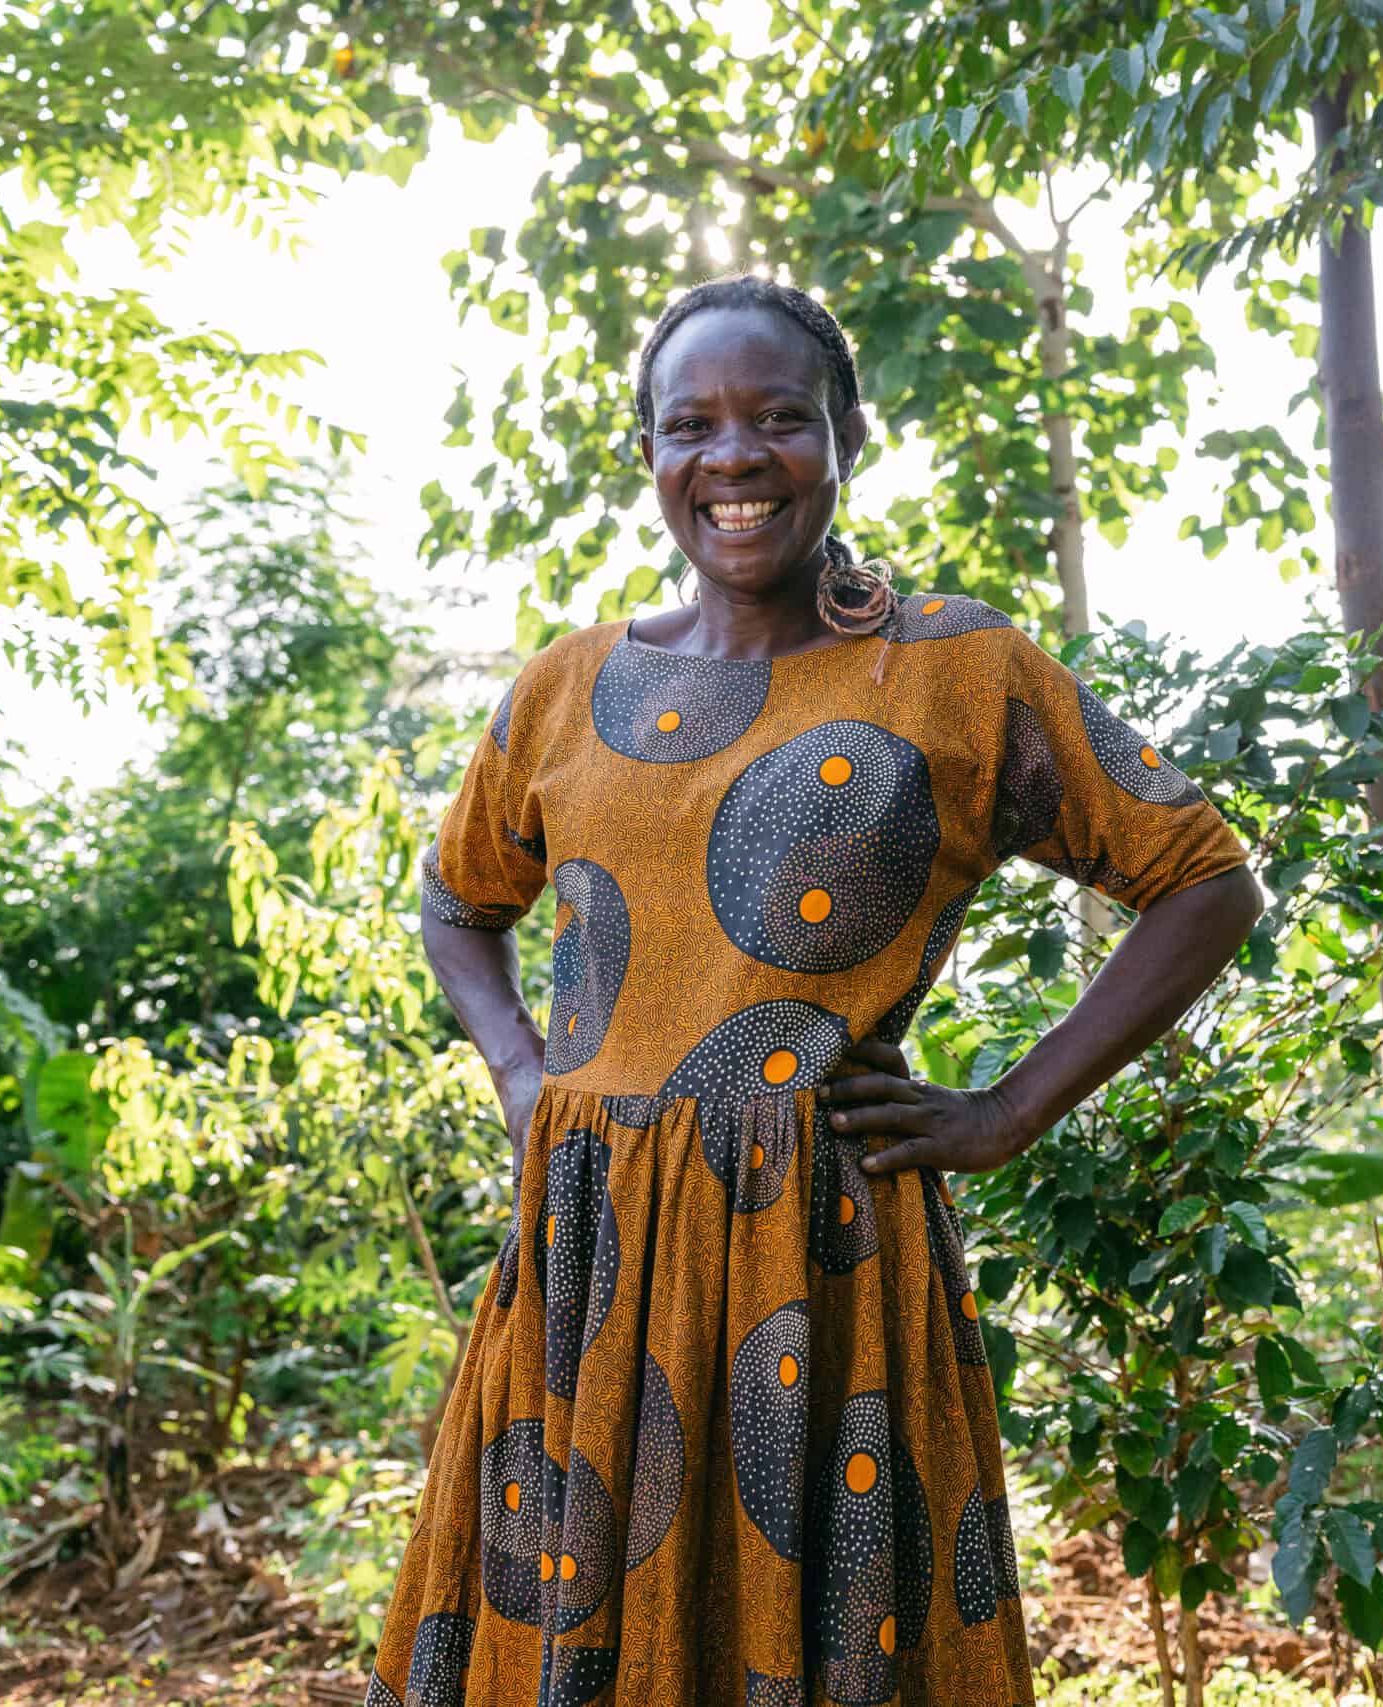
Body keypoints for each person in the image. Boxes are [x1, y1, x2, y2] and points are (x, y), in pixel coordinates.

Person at [365, 272, 1264, 1707]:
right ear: (649, 454)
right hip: (591, 1249)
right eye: (692, 425)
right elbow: (456, 897)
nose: (734, 459)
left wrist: (1006, 1112)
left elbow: (1205, 876)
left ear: (846, 432)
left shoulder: (952, 669)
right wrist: (525, 1073)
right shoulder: (566, 687)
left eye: (778, 417)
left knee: (823, 1632)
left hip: (817, 1240)